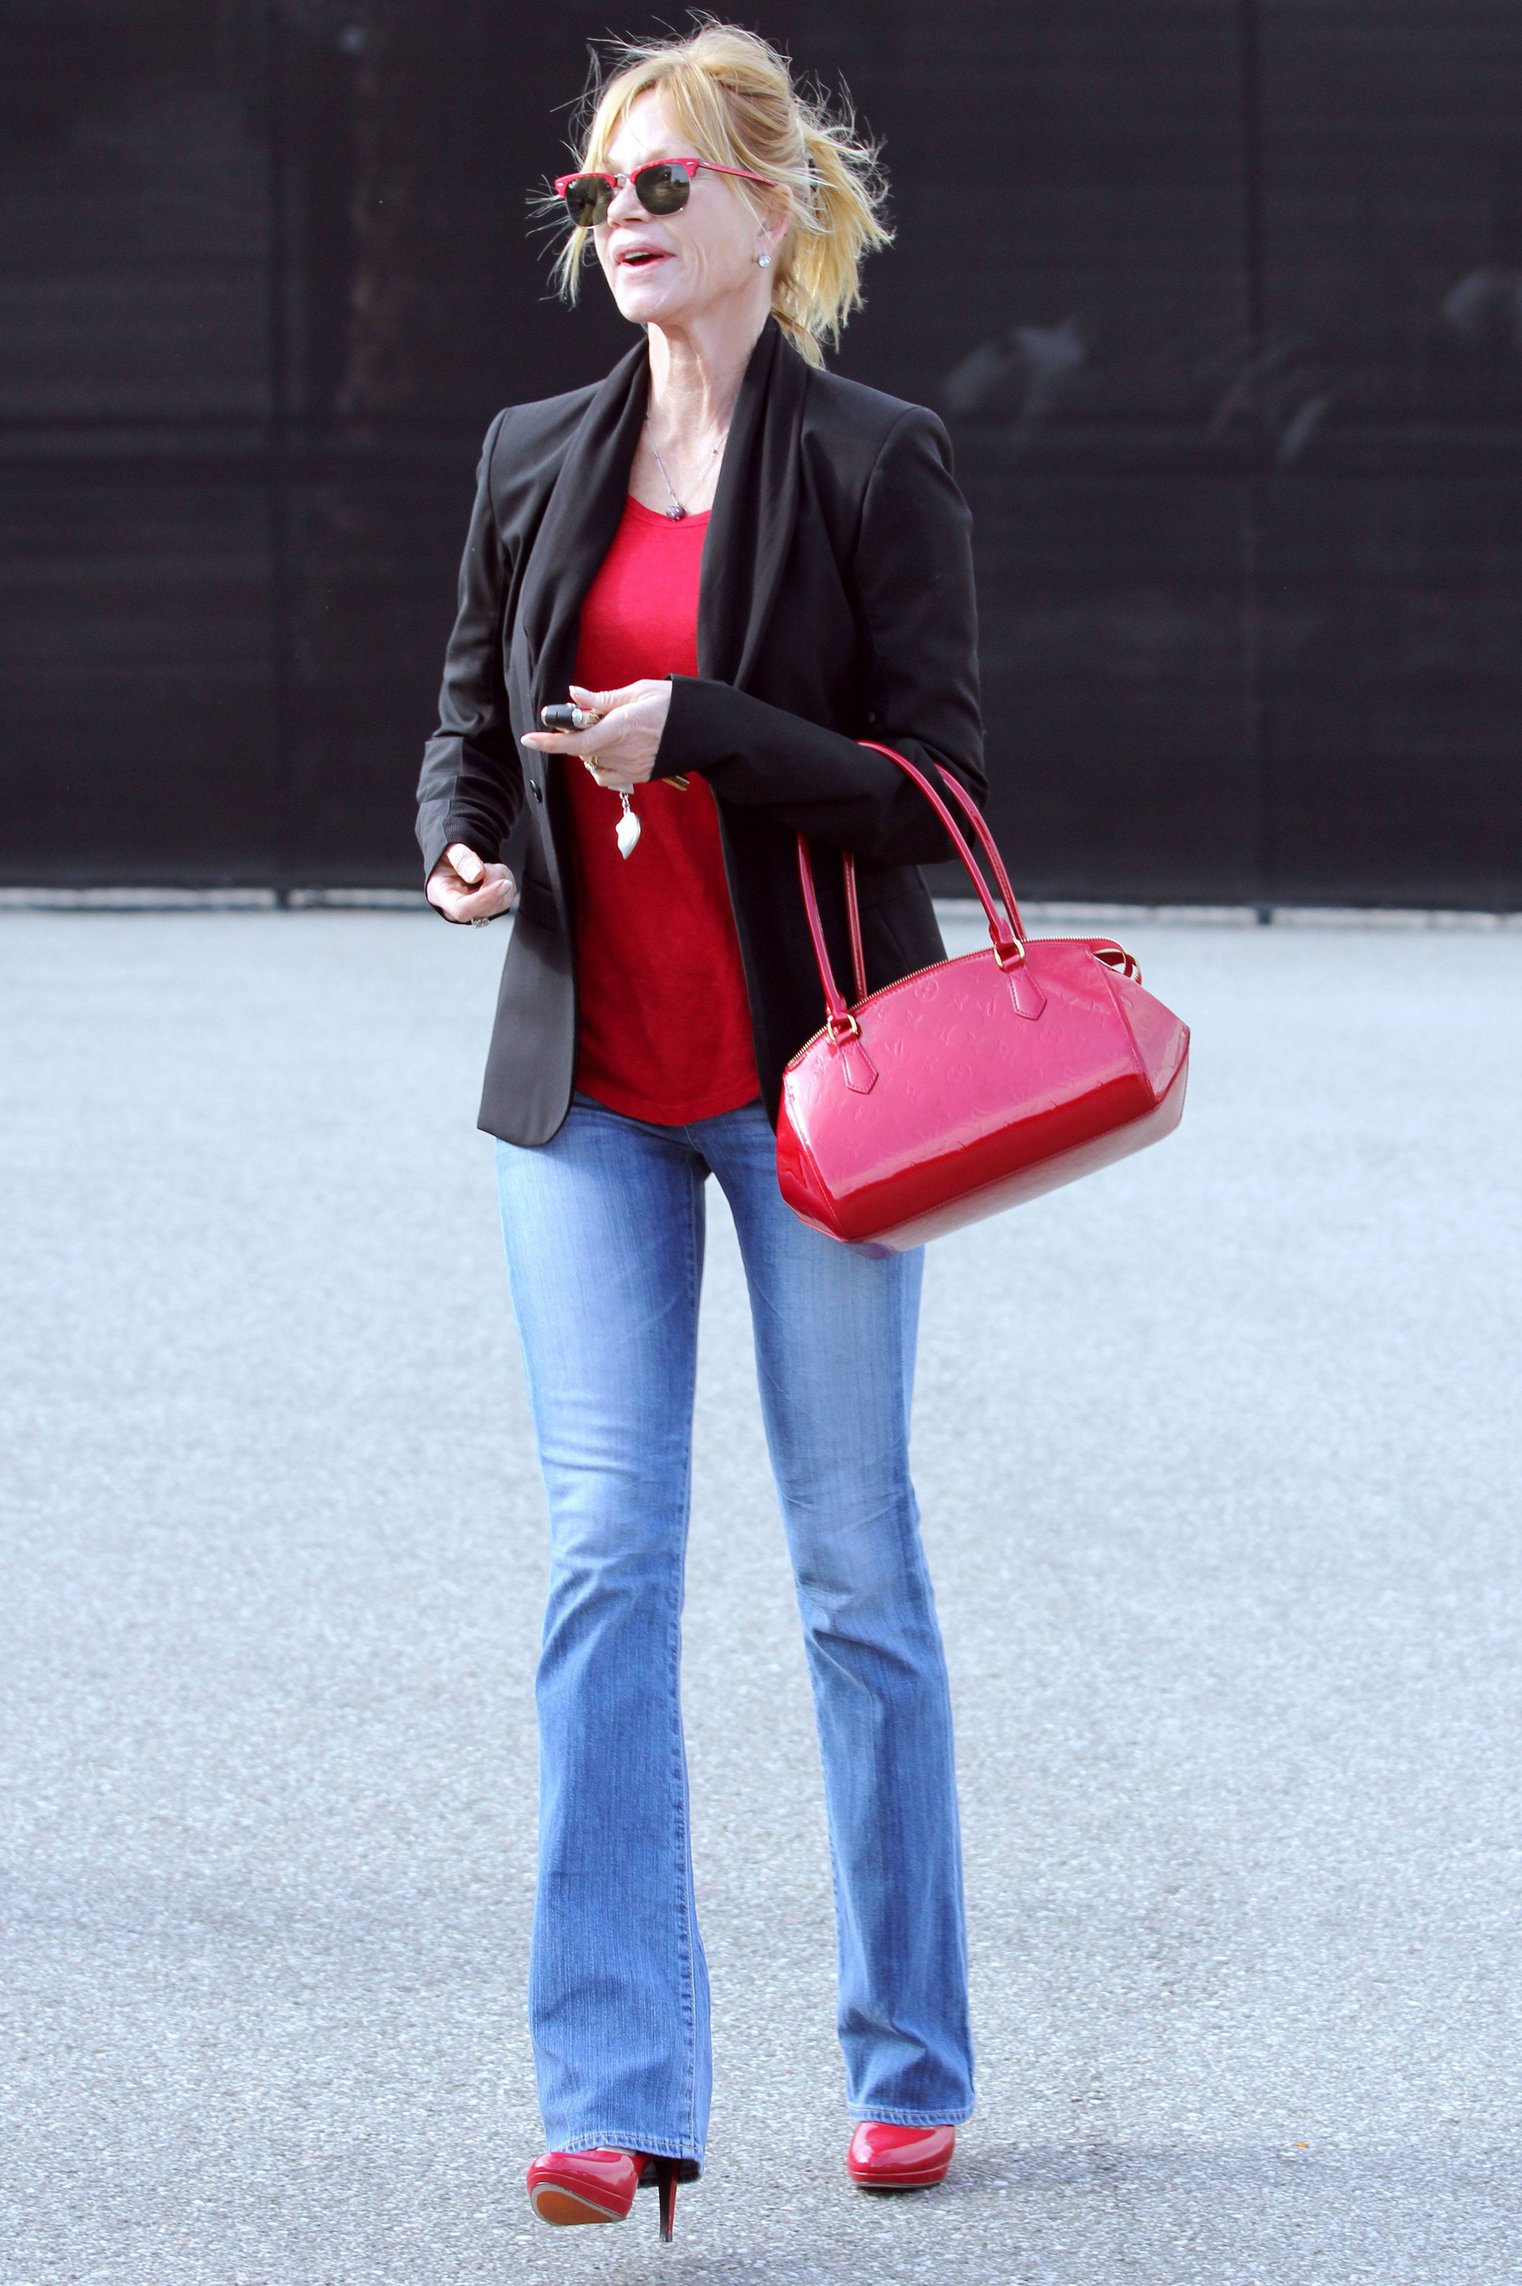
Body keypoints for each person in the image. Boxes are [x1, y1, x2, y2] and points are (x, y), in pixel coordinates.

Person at [415, 21, 983, 2245]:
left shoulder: (872, 460)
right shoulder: (528, 453)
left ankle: (909, 2060)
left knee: (852, 1577)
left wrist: (707, 734)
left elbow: (931, 782)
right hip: (581, 1101)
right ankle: (608, 2092)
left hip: (810, 1090)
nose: (625, 221)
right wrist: (461, 840)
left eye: (665, 186)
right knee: (601, 1569)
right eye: (597, 194)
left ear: (765, 205)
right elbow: (469, 716)